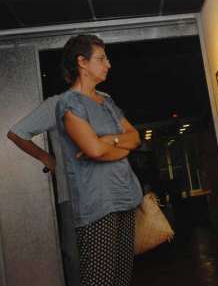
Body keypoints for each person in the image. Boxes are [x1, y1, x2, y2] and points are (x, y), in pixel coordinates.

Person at [55, 34, 142, 286]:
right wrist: (111, 143)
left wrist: (107, 141)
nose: (109, 64)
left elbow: (135, 137)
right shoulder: (68, 103)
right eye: (102, 58)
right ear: (82, 62)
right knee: (100, 281)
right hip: (97, 206)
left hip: (125, 197)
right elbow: (94, 151)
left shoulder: (106, 100)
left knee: (122, 279)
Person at [7, 96, 81, 286]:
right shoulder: (58, 104)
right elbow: (17, 133)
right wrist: (46, 157)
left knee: (106, 258)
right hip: (73, 196)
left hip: (106, 193)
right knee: (76, 258)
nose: (107, 64)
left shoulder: (103, 101)